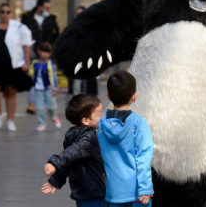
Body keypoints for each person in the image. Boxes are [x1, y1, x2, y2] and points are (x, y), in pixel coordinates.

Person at [98, 70, 154, 206]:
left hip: (114, 193)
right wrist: (145, 188)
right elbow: (144, 157)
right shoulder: (139, 123)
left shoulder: (102, 124)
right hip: (137, 194)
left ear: (108, 95)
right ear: (134, 96)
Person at [41, 94, 106, 206]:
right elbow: (73, 151)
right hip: (95, 191)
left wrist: (56, 180)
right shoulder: (89, 138)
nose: (103, 116)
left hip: (82, 191)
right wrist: (54, 163)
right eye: (99, 113)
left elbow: (68, 162)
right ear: (85, 121)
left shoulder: (72, 135)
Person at [0, 2, 33, 132]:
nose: (5, 14)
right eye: (2, 12)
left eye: (8, 12)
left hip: (12, 64)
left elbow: (27, 45)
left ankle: (10, 120)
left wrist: (26, 62)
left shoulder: (19, 27)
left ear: (11, 14)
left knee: (10, 92)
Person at [21, 0, 60, 113]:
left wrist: (53, 52)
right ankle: (32, 103)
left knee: (48, 77)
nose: (49, 10)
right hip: (33, 52)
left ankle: (47, 103)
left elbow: (56, 37)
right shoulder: (28, 19)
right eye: (47, 8)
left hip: (47, 53)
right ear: (39, 7)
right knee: (34, 78)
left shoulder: (51, 20)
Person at [28, 42, 62, 131]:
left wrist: (54, 87)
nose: (45, 54)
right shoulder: (35, 62)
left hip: (48, 88)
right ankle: (41, 123)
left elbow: (53, 75)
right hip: (38, 88)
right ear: (39, 51)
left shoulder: (50, 63)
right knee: (39, 107)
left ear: (50, 54)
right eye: (43, 51)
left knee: (51, 106)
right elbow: (30, 73)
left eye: (47, 52)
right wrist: (29, 69)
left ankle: (54, 118)